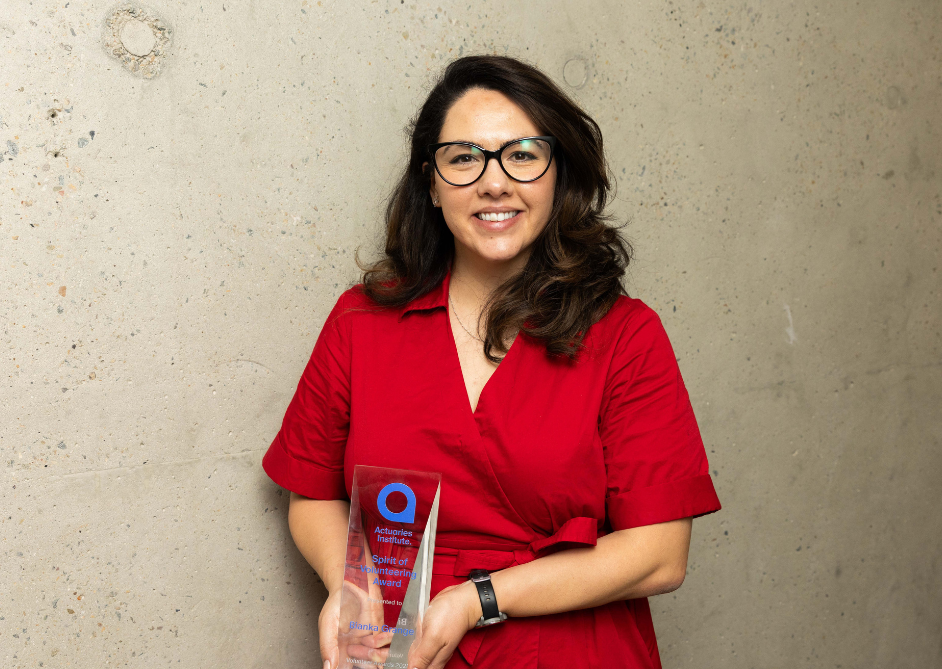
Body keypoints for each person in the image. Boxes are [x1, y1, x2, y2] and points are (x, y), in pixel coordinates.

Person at [261, 54, 721, 669]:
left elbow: (661, 553)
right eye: (463, 158)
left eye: (523, 154)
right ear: (431, 182)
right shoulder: (360, 322)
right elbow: (312, 491)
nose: (494, 182)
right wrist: (355, 585)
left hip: (574, 652)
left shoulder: (626, 335)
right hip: (399, 651)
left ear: (559, 175)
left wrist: (477, 600)